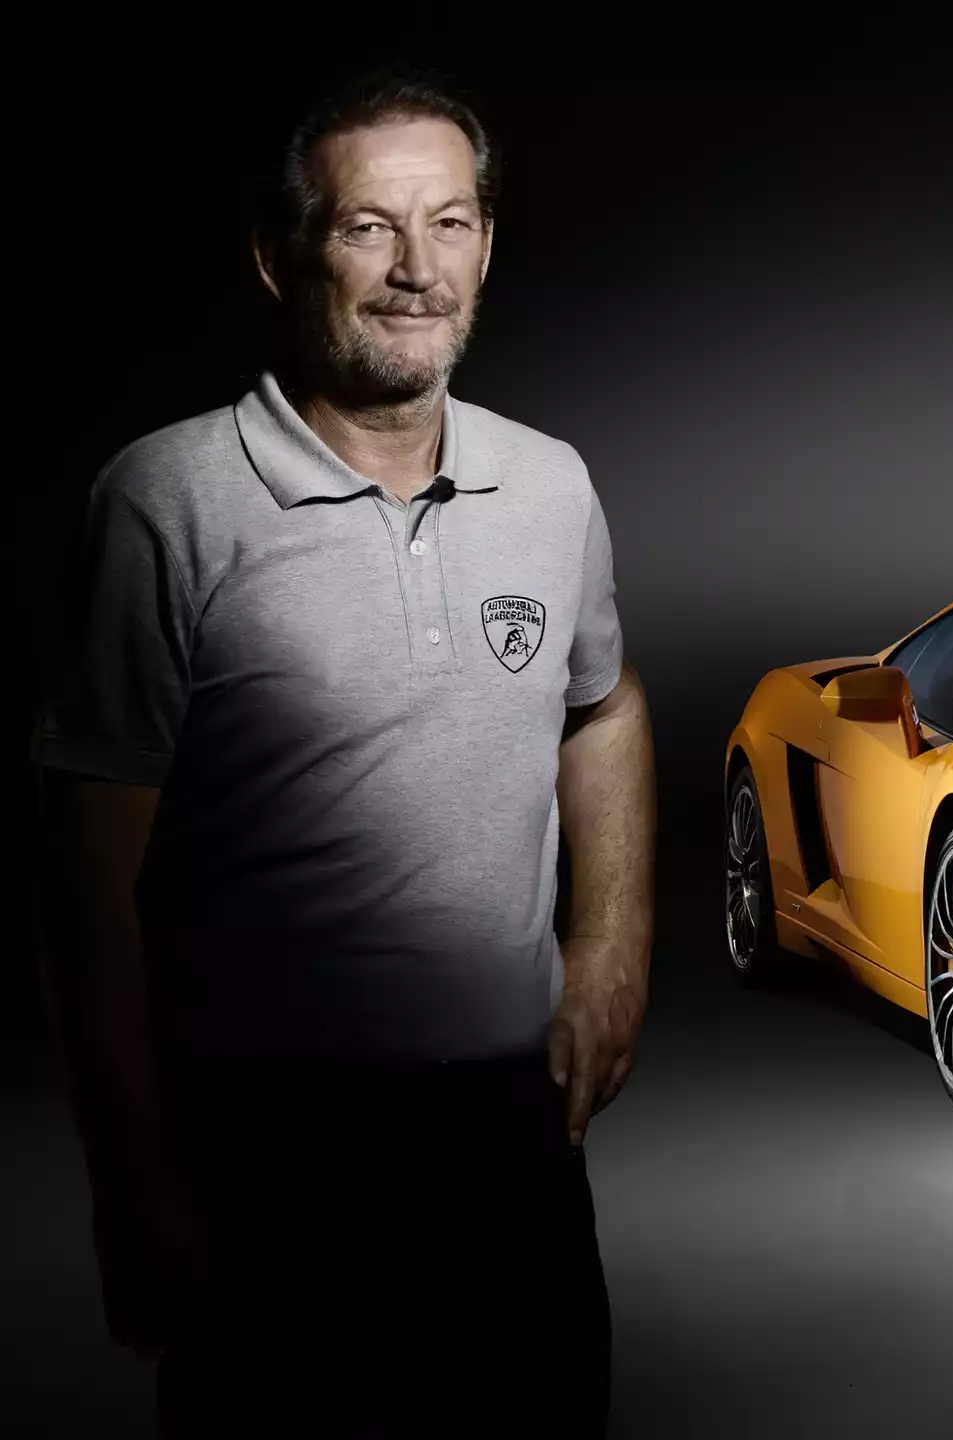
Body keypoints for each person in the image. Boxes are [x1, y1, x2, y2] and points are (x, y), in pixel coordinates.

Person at [31, 67, 654, 1438]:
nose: (416, 270)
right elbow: (89, 877)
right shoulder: (165, 501)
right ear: (280, 255)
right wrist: (132, 1183)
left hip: (513, 1142)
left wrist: (612, 944)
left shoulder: (550, 483)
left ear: (486, 244)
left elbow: (603, 706)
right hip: (266, 1154)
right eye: (369, 227)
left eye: (449, 223)